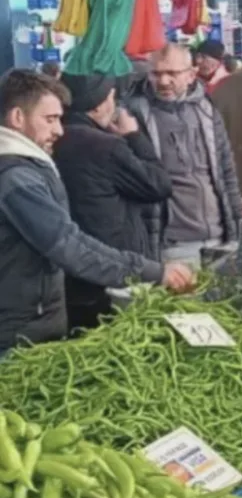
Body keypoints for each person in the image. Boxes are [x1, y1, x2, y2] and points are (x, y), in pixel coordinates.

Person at [0, 70, 193, 352]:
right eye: (50, 119)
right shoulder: (16, 177)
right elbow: (67, 244)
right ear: (18, 118)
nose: (59, 130)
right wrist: (150, 271)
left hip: (31, 323)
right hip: (18, 333)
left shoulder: (28, 167)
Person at [125, 43, 242, 265]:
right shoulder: (135, 115)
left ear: (191, 75)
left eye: (172, 73)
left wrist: (239, 227)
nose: (163, 81)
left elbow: (226, 172)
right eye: (156, 73)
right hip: (172, 244)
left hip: (219, 236)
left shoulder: (206, 109)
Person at [53, 74, 174, 330]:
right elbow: (158, 184)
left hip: (68, 272)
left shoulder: (54, 138)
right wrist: (133, 136)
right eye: (112, 98)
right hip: (112, 270)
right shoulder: (105, 146)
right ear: (98, 105)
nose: (115, 104)